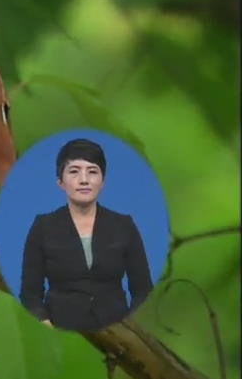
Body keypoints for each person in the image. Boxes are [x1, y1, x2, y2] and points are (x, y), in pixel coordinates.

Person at [19, 138, 153, 330]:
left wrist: (129, 327)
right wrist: (46, 324)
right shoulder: (43, 226)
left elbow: (142, 290)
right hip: (61, 326)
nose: (84, 180)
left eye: (92, 171)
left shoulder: (124, 225)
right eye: (74, 171)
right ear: (60, 182)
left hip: (118, 330)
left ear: (102, 181)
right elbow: (29, 292)